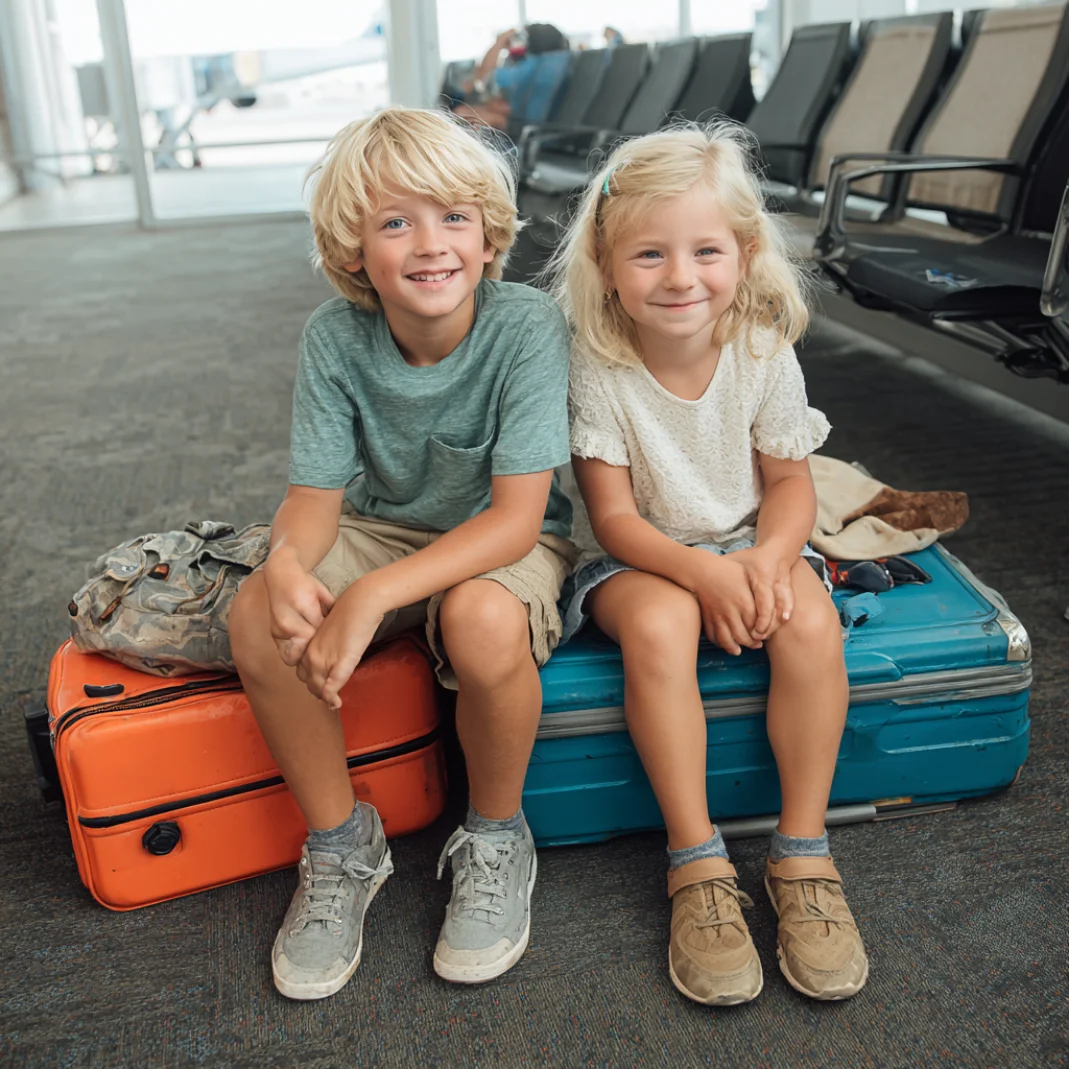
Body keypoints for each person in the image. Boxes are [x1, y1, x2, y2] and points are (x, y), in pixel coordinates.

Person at [228, 106, 575, 1000]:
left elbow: (512, 520)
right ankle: (344, 844)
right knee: (258, 611)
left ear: (490, 235)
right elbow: (313, 503)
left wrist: (372, 595)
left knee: (481, 616)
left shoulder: (528, 325)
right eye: (396, 222)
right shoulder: (333, 339)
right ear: (354, 251)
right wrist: (288, 566)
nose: (431, 245)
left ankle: (496, 833)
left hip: (508, 536)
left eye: (454, 218)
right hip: (386, 528)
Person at [547, 123, 869, 1006]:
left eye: (703, 250)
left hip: (749, 540)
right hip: (641, 558)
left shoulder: (762, 347)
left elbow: (790, 486)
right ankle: (694, 861)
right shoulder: (596, 361)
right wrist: (704, 577)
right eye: (648, 254)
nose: (679, 276)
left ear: (745, 251)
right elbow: (612, 519)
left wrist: (766, 559)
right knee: (660, 622)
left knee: (809, 618)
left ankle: (801, 851)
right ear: (607, 264)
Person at [450, 24, 568, 131]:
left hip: (521, 126)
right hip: (525, 121)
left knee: (461, 114)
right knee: (465, 111)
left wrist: (500, 42)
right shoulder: (554, 63)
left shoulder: (534, 64)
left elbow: (484, 76)